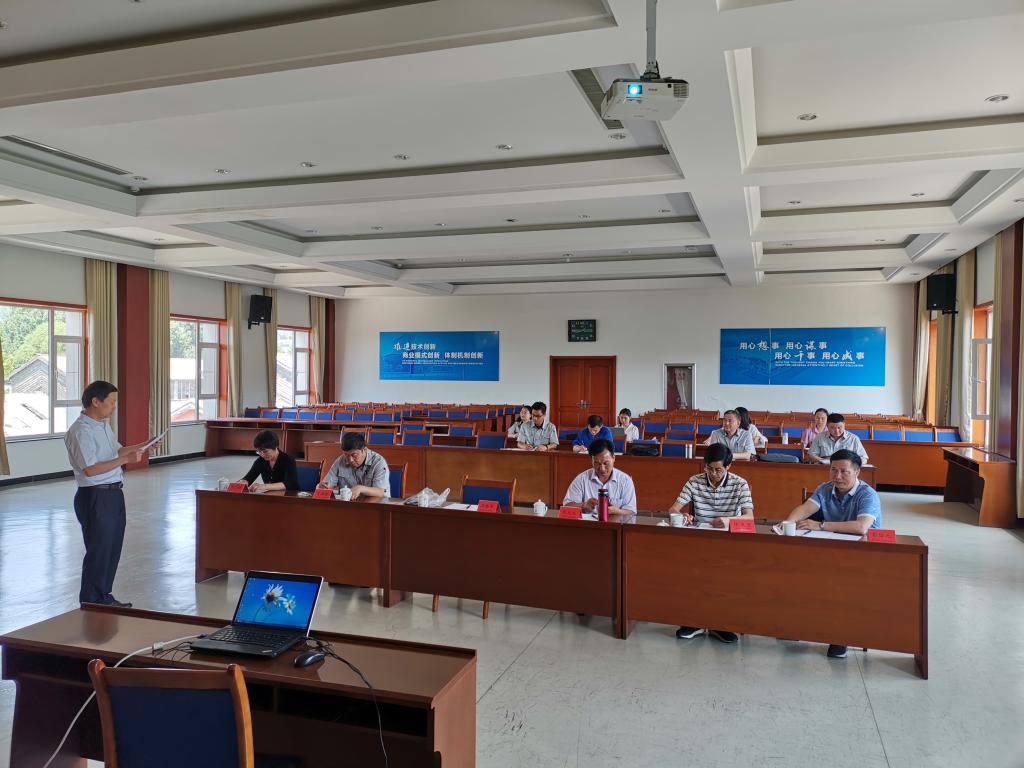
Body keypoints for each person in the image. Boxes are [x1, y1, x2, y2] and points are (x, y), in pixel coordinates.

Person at [64, 380, 158, 608]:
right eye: (112, 402)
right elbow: (90, 469)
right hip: (95, 496)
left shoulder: (103, 425)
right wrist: (126, 460)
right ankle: (91, 600)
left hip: (114, 493)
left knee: (112, 548)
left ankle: (103, 596)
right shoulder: (80, 431)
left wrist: (143, 445)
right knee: (99, 550)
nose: (114, 407)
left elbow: (116, 451)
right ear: (96, 401)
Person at [783, 449, 882, 659]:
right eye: (833, 470)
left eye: (844, 471)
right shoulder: (825, 488)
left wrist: (821, 525)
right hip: (831, 551)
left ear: (857, 472)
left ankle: (840, 635)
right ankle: (799, 624)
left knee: (842, 583)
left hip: (863, 556)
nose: (837, 476)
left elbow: (861, 527)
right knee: (796, 574)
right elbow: (804, 509)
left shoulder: (868, 494)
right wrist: (787, 524)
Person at [669, 443, 753, 644]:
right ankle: (694, 622)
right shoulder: (695, 481)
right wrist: (683, 515)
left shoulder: (740, 484)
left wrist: (728, 520)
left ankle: (721, 624)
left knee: (725, 578)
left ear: (728, 466)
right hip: (700, 539)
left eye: (718, 470)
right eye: (709, 468)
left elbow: (749, 518)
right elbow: (673, 509)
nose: (713, 474)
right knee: (690, 574)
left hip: (728, 541)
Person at [562, 438, 637, 520]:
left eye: (606, 463)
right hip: (587, 526)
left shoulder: (625, 481)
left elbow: (631, 512)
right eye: (597, 463)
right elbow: (566, 506)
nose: (602, 469)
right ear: (592, 460)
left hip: (615, 525)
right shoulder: (581, 479)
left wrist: (617, 511)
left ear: (613, 458)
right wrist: (584, 505)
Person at [319, 433, 390, 500]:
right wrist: (324, 486)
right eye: (346, 455)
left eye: (354, 455)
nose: (350, 460)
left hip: (376, 503)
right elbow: (327, 484)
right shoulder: (340, 461)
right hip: (350, 504)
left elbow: (381, 492)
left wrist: (361, 489)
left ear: (364, 450)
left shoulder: (378, 462)